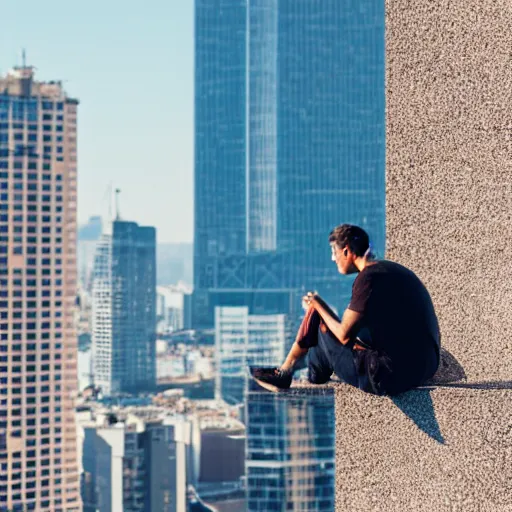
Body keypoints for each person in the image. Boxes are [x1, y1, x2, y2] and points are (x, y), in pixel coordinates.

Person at [252, 224, 440, 396]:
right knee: (322, 320)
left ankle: (292, 371)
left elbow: (344, 336)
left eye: (334, 252)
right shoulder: (391, 270)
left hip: (389, 376)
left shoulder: (368, 278)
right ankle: (294, 369)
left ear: (346, 251)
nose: (332, 259)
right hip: (425, 366)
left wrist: (317, 304)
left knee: (319, 319)